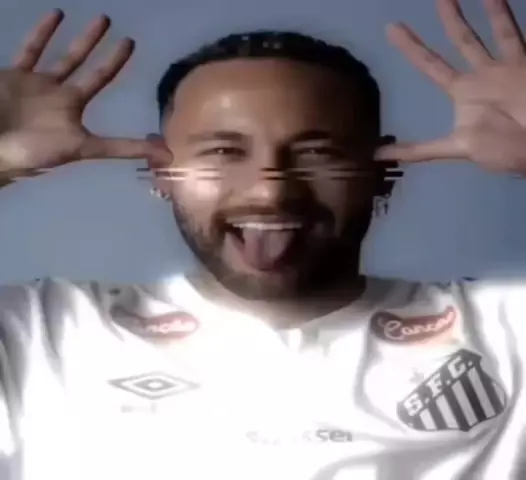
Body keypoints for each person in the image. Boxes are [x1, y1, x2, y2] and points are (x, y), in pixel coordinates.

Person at [0, 0, 525, 478]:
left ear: (382, 172)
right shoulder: (45, 334)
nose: (271, 193)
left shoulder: (504, 332)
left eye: (317, 153)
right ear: (162, 172)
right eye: (224, 152)